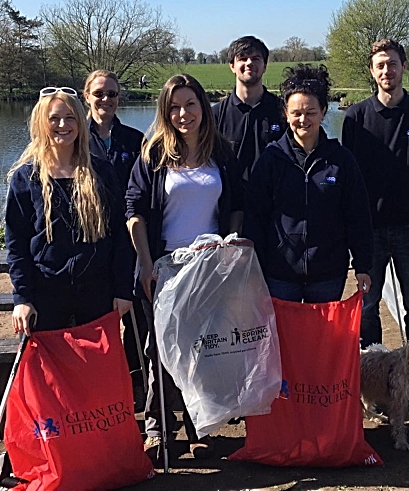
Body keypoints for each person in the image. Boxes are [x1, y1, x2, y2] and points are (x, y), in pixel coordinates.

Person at [126, 74, 244, 462]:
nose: (183, 113)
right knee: (161, 351)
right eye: (174, 106)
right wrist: (145, 263)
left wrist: (229, 247)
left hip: (209, 266)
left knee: (203, 351)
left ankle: (201, 426)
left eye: (190, 104)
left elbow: (237, 206)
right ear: (165, 111)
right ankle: (159, 428)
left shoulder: (222, 152)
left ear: (203, 107)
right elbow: (134, 211)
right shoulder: (153, 153)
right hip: (164, 267)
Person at [5, 86, 133, 335]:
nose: (62, 124)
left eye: (70, 117)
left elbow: (119, 234)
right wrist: (22, 298)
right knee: (51, 374)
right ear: (42, 123)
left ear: (80, 123)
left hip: (96, 295)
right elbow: (16, 244)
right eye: (54, 118)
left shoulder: (101, 172)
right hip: (46, 296)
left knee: (95, 373)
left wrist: (122, 290)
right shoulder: (26, 178)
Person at [244, 64, 373, 303]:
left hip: (328, 274)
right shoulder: (271, 159)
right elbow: (255, 217)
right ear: (286, 113)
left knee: (321, 340)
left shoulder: (341, 160)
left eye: (311, 112)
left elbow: (357, 215)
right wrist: (256, 267)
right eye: (296, 113)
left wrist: (363, 264)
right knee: (284, 341)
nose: (303, 120)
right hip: (279, 275)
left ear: (323, 111)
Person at [342, 39, 409, 347]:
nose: (387, 71)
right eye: (380, 65)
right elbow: (350, 177)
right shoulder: (355, 118)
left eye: (392, 64)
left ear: (403, 67)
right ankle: (374, 371)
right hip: (369, 229)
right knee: (367, 307)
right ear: (372, 71)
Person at [84, 69, 148, 411]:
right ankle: (104, 390)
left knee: (135, 321)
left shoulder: (136, 140)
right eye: (99, 94)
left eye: (112, 94)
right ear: (86, 97)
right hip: (92, 244)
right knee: (98, 321)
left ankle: (135, 383)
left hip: (131, 242)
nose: (105, 100)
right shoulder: (76, 139)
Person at [212, 35, 287, 182]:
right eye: (243, 58)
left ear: (265, 66)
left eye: (256, 58)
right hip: (231, 203)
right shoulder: (214, 116)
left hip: (273, 202)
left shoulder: (284, 111)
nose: (249, 63)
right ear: (232, 66)